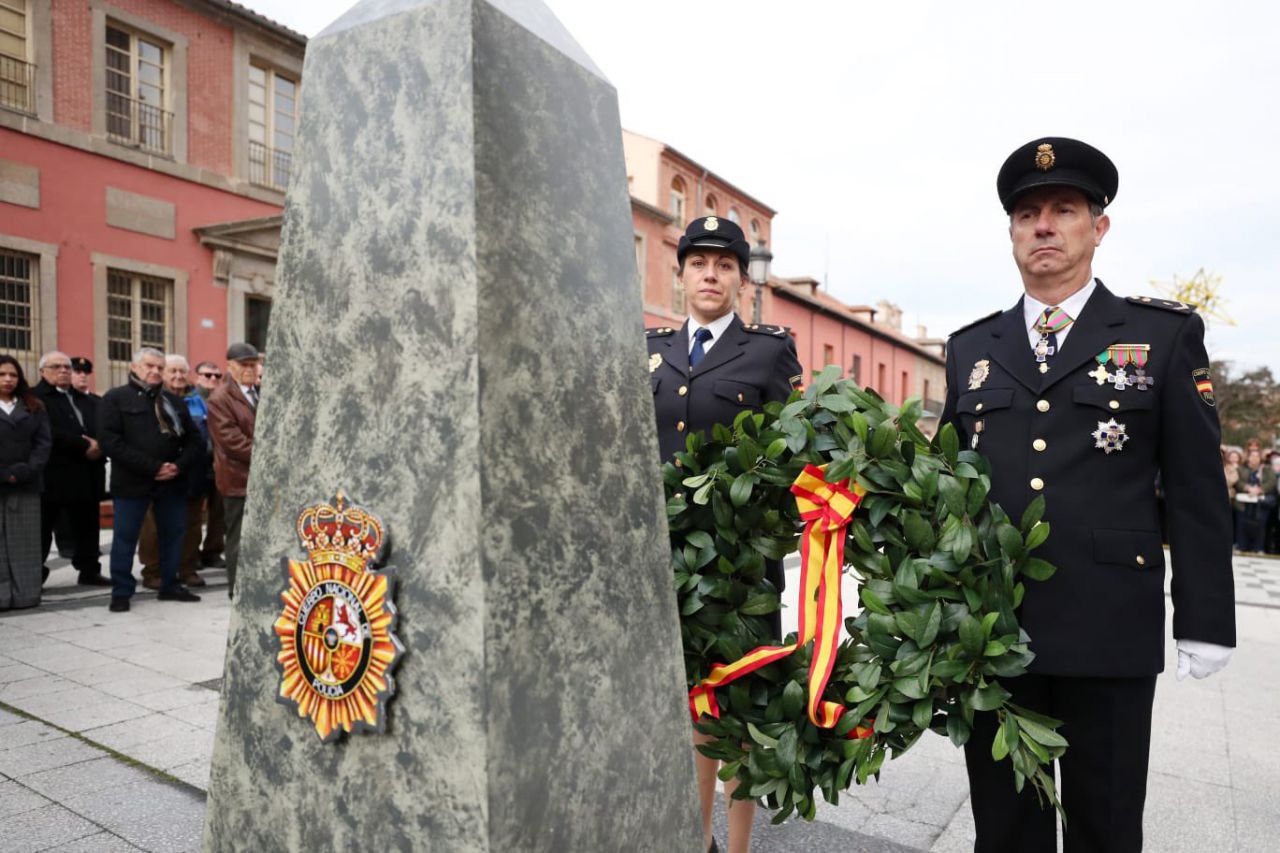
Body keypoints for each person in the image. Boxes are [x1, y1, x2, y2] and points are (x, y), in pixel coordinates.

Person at [940, 137, 1235, 853]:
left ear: (1097, 228)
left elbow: (1197, 486)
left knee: (1105, 827)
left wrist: (1206, 614)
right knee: (1007, 832)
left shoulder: (1158, 336)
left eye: (1063, 209)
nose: (1043, 225)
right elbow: (945, 487)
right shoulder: (971, 348)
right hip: (994, 634)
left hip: (1109, 630)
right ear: (1011, 232)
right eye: (1028, 213)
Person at [647, 215, 802, 853]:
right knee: (677, 707)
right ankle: (691, 839)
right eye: (699, 263)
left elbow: (789, 448)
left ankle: (735, 847)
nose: (710, 275)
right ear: (681, 274)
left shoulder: (767, 349)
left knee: (734, 710)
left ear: (741, 280)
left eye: (725, 265)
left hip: (739, 569)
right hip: (663, 562)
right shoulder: (649, 345)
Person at [98, 347, 203, 612]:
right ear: (134, 368)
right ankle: (121, 591)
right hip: (133, 482)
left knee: (173, 535)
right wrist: (153, 467)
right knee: (125, 537)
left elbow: (194, 441)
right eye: (149, 366)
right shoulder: (115, 398)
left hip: (172, 482)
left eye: (159, 367)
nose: (154, 371)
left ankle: (170, 585)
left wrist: (177, 467)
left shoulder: (174, 401)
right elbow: (111, 442)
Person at [32, 352, 110, 586]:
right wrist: (85, 445)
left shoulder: (89, 400)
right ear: (42, 372)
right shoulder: (35, 398)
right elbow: (47, 431)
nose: (64, 370)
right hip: (54, 474)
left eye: (67, 367)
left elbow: (106, 427)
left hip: (87, 473)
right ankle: (35, 573)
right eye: (56, 367)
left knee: (87, 526)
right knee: (43, 528)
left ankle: (89, 570)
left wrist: (100, 445)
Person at [137, 355, 208, 589]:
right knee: (153, 526)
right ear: (163, 374)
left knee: (191, 524)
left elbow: (200, 439)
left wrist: (182, 463)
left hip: (191, 470)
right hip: (157, 472)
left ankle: (187, 568)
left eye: (182, 371)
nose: (178, 376)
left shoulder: (199, 400)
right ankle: (153, 571)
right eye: (172, 371)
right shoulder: (150, 398)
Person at [207, 342, 261, 599]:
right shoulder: (220, 398)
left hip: (262, 479)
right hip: (238, 480)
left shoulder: (259, 392)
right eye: (244, 364)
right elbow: (232, 442)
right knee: (238, 538)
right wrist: (271, 458)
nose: (250, 369)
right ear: (230, 366)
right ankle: (237, 591)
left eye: (253, 363)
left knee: (260, 537)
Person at [0, 356, 52, 610]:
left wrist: (25, 470)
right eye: (2, 374)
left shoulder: (33, 406)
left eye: (13, 374)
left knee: (25, 543)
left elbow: (44, 443)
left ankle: (26, 595)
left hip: (27, 483)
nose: (8, 379)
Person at [1233, 445, 1275, 554]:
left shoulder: (1267, 469)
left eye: (1257, 456)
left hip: (1260, 504)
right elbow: (1237, 481)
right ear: (1248, 457)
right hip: (1243, 503)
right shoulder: (1241, 469)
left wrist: (1259, 490)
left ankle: (1258, 548)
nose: (1255, 458)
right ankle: (1241, 546)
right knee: (1241, 525)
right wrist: (1247, 488)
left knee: (1260, 527)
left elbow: (1272, 482)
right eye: (1252, 456)